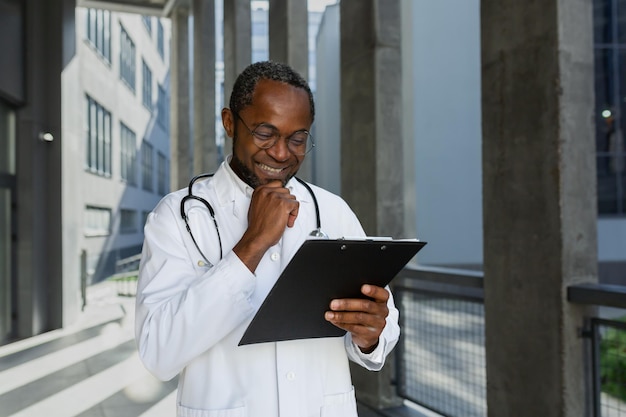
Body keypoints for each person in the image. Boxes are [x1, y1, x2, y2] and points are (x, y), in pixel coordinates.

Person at [135, 61, 400, 417]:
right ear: (230, 122)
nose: (280, 153)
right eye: (264, 133)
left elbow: (381, 329)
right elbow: (158, 352)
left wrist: (371, 334)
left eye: (298, 138)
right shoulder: (177, 216)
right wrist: (251, 245)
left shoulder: (332, 211)